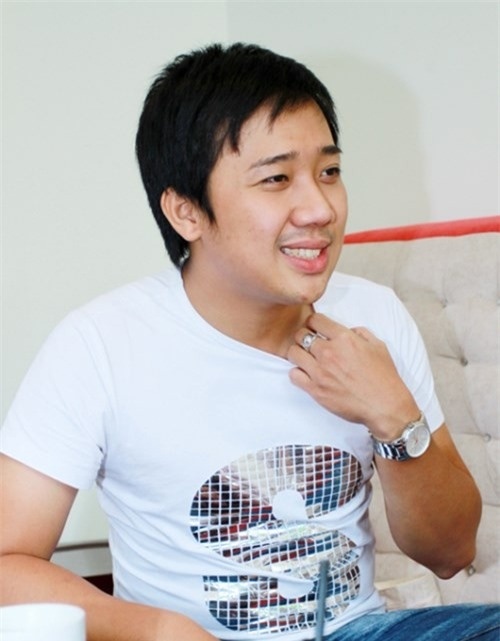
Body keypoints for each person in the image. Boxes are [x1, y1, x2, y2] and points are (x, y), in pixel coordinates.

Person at [1, 42, 498, 641]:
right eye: (276, 179)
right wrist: (162, 631)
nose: (319, 208)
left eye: (329, 172)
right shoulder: (100, 345)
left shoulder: (372, 315)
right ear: (186, 212)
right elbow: (8, 562)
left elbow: (450, 552)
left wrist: (394, 417)